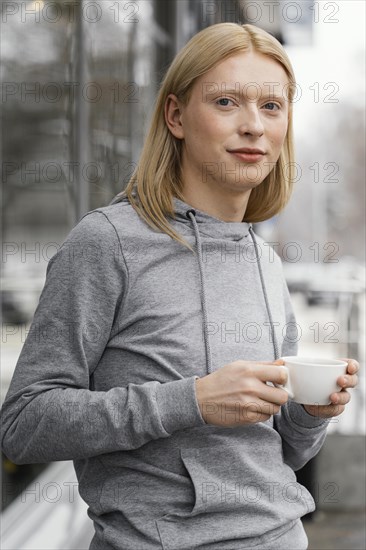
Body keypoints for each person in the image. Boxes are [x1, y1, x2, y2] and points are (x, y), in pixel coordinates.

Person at [0, 22, 359, 550]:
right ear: (176, 116)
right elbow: (25, 423)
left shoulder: (262, 259)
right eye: (227, 102)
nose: (254, 126)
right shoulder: (106, 243)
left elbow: (277, 455)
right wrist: (189, 401)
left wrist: (308, 414)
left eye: (272, 107)